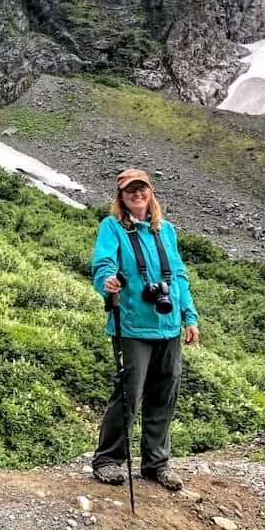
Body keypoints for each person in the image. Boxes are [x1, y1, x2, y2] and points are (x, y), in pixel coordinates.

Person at [90, 168, 199, 491]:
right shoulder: (112, 227)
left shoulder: (166, 230)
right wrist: (106, 283)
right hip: (133, 326)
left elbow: (179, 275)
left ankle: (157, 463)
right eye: (130, 190)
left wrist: (189, 317)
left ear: (150, 192)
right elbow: (103, 263)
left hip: (169, 327)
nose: (137, 194)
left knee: (164, 396)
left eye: (142, 189)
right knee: (128, 395)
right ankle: (108, 460)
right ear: (121, 197)